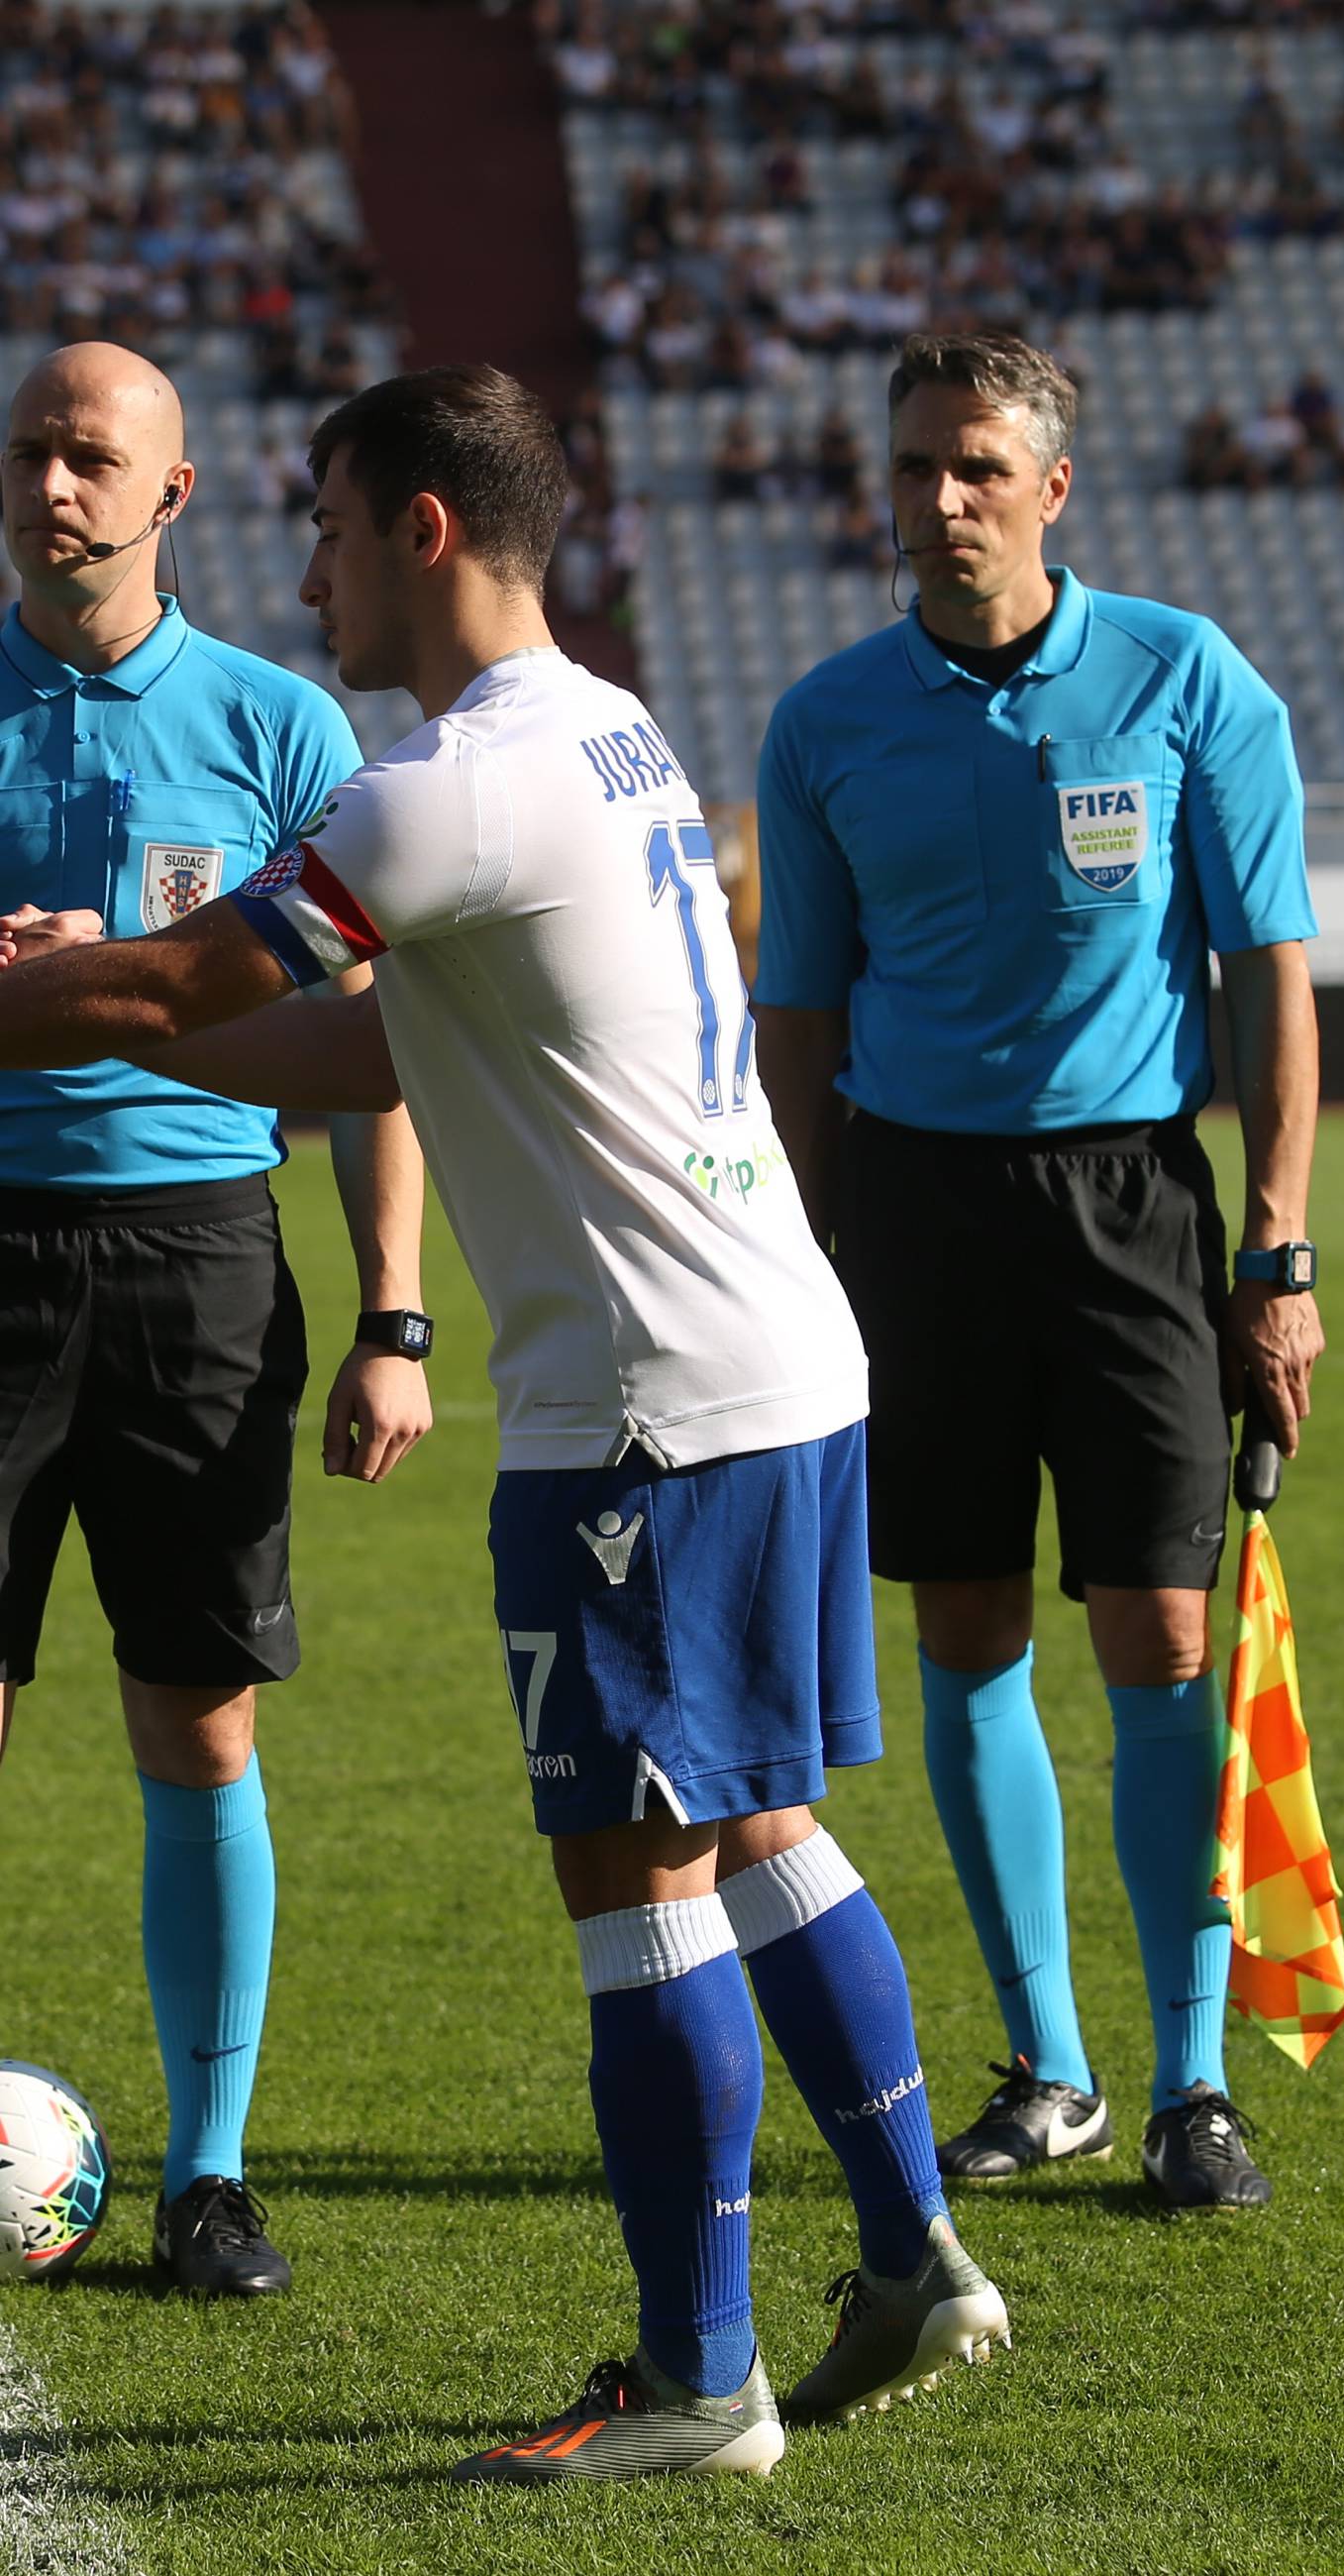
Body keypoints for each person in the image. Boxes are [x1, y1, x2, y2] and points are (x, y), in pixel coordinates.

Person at [0, 364, 1006, 2479]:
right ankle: (914, 2250)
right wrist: (112, 979)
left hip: (638, 1406)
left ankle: (700, 2379)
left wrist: (87, 986)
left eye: (334, 531)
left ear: (428, 534)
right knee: (757, 1830)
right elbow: (372, 1053)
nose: (311, 572)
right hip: (777, 1361)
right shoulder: (606, 733)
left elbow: (195, 996)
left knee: (630, 1871)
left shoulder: (434, 784)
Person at [753, 331, 1324, 2213]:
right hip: (914, 1215)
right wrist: (798, 1252)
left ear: (1053, 487)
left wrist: (1278, 1243)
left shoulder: (1184, 678)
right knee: (966, 1631)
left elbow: (1269, 977)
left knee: (1158, 1635)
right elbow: (805, 1024)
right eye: (915, 464)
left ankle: (1188, 2083)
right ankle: (1050, 2068)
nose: (939, 501)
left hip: (1135, 1212)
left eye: (978, 467)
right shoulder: (828, 719)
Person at [0, 341, 431, 2299]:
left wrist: (396, 1315)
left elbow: (384, 1050)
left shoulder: (276, 728)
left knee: (199, 1715)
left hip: (198, 1259)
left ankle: (212, 2173)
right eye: (31, 451)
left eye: (93, 456)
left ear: (172, 496)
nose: (53, 483)